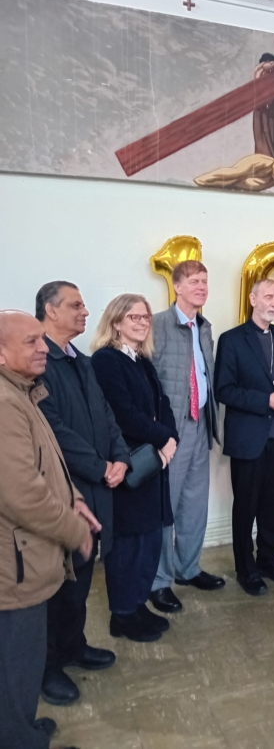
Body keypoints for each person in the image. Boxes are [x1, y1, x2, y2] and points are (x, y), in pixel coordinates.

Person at [0, 310, 97, 749]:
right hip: (12, 569)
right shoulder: (4, 404)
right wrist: (73, 529)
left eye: (42, 340)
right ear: (1, 354)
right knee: (14, 666)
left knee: (22, 665)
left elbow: (45, 464)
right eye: (30, 342)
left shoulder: (21, 392)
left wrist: (72, 495)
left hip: (25, 561)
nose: (43, 348)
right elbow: (21, 494)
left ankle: (21, 727)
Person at [34, 281, 130, 707]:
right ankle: (47, 665)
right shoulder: (38, 362)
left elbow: (106, 415)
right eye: (75, 305)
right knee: (59, 581)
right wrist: (98, 465)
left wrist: (121, 457)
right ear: (50, 311)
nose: (85, 311)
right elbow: (51, 428)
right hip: (65, 489)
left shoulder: (81, 360)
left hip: (98, 485)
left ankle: (73, 646)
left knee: (85, 571)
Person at [91, 295, 179, 642]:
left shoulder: (141, 359)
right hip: (131, 464)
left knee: (149, 539)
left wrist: (169, 436)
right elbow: (123, 413)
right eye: (133, 317)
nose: (142, 323)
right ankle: (122, 615)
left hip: (153, 462)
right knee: (128, 543)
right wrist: (163, 438)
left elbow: (164, 404)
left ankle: (137, 603)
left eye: (145, 317)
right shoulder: (106, 360)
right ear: (115, 322)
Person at [215, 279, 274, 596]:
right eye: (268, 296)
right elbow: (224, 390)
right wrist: (268, 400)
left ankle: (269, 560)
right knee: (246, 507)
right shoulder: (232, 340)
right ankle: (246, 568)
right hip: (249, 439)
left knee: (272, 505)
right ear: (253, 299)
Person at [149, 260, 223, 615]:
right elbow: (148, 377)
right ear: (177, 286)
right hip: (171, 432)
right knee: (166, 507)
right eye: (194, 281)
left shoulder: (204, 327)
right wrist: (158, 431)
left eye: (205, 281)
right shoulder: (158, 325)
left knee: (194, 504)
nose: (201, 287)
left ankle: (188, 569)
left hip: (201, 425)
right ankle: (159, 581)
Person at [253, 52, 274, 157]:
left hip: (273, 109)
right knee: (265, 136)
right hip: (263, 109)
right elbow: (270, 66)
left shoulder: (273, 73)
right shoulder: (261, 69)